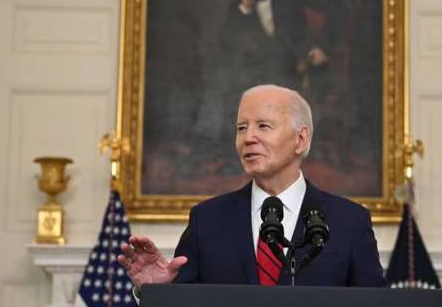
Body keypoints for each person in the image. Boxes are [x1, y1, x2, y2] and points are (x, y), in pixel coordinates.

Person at [118, 84, 386, 289]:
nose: (249, 138)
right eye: (241, 128)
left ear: (300, 139)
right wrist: (156, 292)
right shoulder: (208, 220)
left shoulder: (349, 222)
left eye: (263, 126)